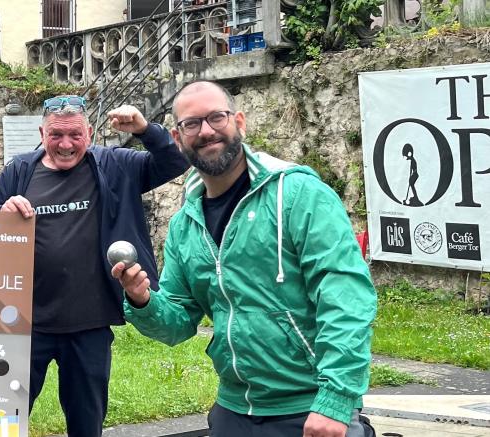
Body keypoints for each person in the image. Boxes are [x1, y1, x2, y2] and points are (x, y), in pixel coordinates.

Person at [112, 80, 377, 437]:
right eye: (192, 124)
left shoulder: (297, 193)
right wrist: (142, 300)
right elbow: (177, 323)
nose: (206, 131)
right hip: (233, 411)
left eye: (216, 118)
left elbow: (346, 299)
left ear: (239, 122)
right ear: (177, 138)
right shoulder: (184, 225)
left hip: (310, 408)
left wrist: (335, 400)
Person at [0, 95, 190, 435]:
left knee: (86, 425)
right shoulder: (20, 170)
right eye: (56, 135)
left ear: (89, 133)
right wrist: (0, 213)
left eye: (75, 135)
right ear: (42, 132)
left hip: (90, 325)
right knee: (3, 422)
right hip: (26, 325)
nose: (65, 144)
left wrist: (144, 129)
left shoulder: (116, 165)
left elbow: (174, 162)